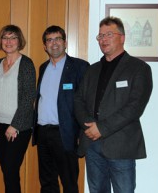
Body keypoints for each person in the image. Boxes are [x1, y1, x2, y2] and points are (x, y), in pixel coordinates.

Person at [74, 16, 153, 193]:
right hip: (92, 144)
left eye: (109, 34)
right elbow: (78, 99)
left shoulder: (139, 68)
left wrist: (101, 128)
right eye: (100, 36)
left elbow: (135, 107)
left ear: (122, 37)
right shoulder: (91, 70)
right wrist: (89, 126)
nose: (103, 40)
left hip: (121, 146)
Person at [33, 25, 89, 193]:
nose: (54, 43)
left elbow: (86, 102)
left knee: (69, 182)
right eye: (49, 40)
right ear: (45, 46)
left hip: (65, 133)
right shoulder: (43, 68)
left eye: (57, 39)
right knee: (47, 182)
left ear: (65, 42)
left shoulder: (80, 67)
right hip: (43, 132)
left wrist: (81, 133)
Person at [0, 25, 36, 193]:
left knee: (10, 170)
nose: (9, 41)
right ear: (1, 41)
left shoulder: (26, 64)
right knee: (7, 172)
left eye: (13, 37)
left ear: (19, 41)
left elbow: (28, 98)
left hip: (18, 127)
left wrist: (14, 125)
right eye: (5, 38)